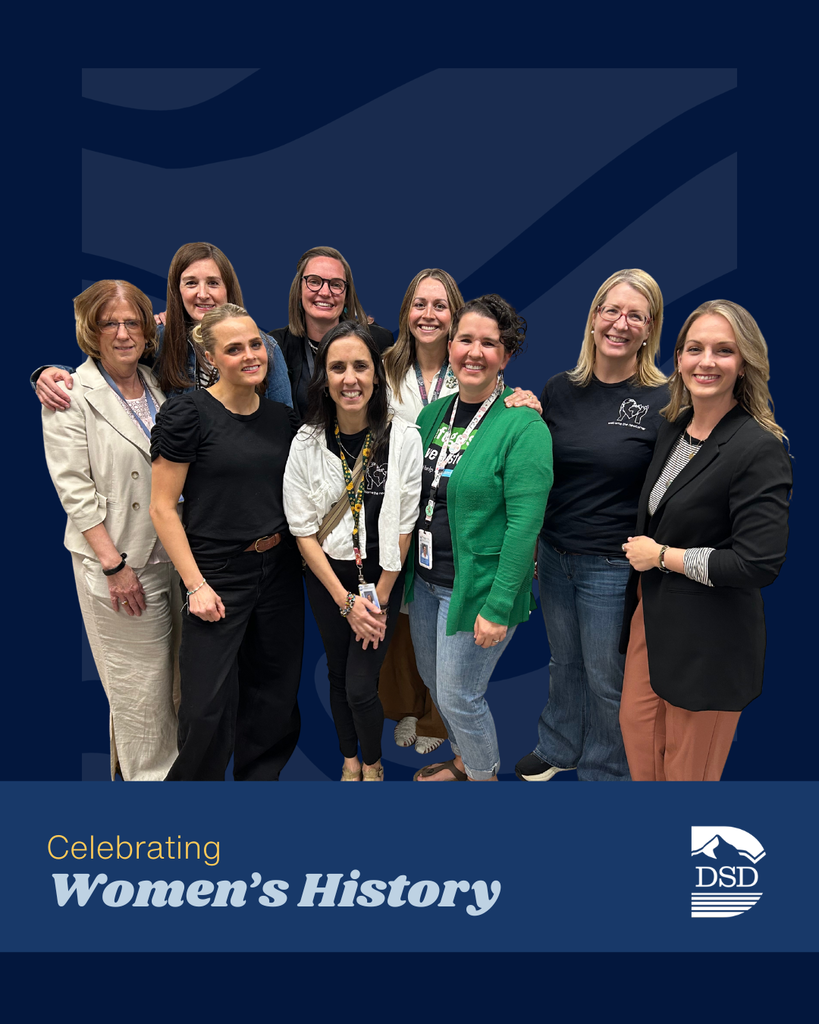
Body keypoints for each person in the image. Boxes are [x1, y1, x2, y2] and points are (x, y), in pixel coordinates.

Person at [620, 300, 791, 781]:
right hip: (652, 621)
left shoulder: (758, 448)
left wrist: (662, 556)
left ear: (745, 364)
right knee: (638, 737)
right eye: (694, 349)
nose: (706, 361)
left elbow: (757, 563)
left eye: (723, 350)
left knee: (687, 773)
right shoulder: (674, 428)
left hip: (710, 642)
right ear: (678, 359)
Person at [515, 269, 668, 783]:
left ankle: (606, 770)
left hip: (614, 564)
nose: (620, 324)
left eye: (635, 316)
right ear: (594, 317)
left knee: (607, 678)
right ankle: (560, 745)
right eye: (612, 311)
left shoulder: (664, 399)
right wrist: (523, 411)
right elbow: (539, 468)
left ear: (649, 329)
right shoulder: (560, 388)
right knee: (564, 662)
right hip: (555, 553)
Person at [149, 303, 303, 781]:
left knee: (274, 695)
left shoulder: (282, 419)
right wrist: (196, 585)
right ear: (210, 358)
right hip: (216, 573)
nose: (251, 355)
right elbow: (162, 507)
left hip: (278, 571)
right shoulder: (187, 413)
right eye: (235, 349)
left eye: (256, 344)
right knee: (205, 707)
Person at [407, 294, 553, 782]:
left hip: (478, 589)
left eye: (488, 343)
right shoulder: (432, 416)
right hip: (425, 581)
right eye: (465, 339)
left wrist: (500, 604)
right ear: (450, 346)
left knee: (460, 697)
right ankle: (463, 760)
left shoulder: (523, 425)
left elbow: (525, 525)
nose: (474, 352)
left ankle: (483, 779)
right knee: (436, 684)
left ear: (505, 356)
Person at [42, 280, 180, 781]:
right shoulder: (69, 394)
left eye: (132, 322)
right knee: (140, 695)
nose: (123, 333)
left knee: (173, 690)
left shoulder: (157, 381)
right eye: (109, 323)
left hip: (174, 561)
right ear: (90, 330)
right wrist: (113, 566)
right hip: (123, 565)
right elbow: (74, 490)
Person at [283, 321, 423, 782]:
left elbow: (405, 527)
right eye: (337, 367)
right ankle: (348, 760)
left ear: (377, 376)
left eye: (361, 366)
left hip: (382, 578)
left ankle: (373, 763)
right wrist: (345, 601)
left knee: (361, 686)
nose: (350, 379)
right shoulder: (306, 442)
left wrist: (377, 600)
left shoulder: (403, 438)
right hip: (328, 577)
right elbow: (303, 532)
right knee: (338, 676)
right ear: (323, 377)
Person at [32, 241, 292, 410]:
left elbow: (284, 422)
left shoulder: (266, 347)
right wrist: (53, 374)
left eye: (213, 283)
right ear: (177, 290)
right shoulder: (159, 340)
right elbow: (104, 370)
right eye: (191, 283)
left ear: (228, 289)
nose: (202, 294)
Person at [270, 245, 395, 421]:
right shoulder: (276, 347)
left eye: (336, 285)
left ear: (347, 295)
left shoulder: (378, 341)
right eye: (314, 281)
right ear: (298, 290)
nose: (325, 292)